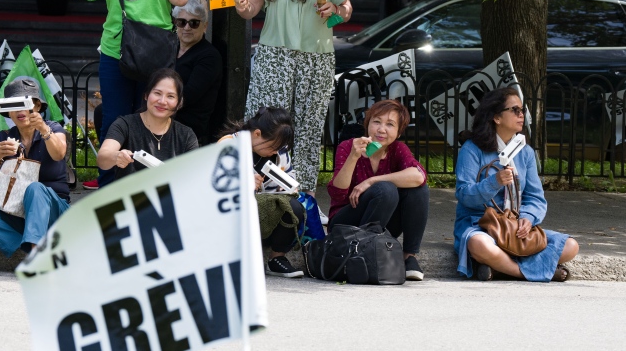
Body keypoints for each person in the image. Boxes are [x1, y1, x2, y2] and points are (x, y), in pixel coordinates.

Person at [70, 0, 191, 188]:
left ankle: (145, 183)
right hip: (117, 53)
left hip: (158, 55)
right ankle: (110, 183)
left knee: (153, 118)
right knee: (116, 118)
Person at [234, 0, 353, 195]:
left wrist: (336, 10)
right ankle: (257, 191)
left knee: (309, 128)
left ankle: (304, 196)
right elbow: (250, 7)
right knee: (267, 125)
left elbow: (347, 11)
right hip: (274, 58)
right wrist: (241, 5)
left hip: (317, 58)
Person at [454, 88, 579, 282]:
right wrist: (494, 182)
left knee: (571, 246)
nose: (521, 115)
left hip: (515, 226)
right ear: (497, 117)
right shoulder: (471, 149)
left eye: (522, 110)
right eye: (515, 110)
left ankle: (498, 269)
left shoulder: (525, 152)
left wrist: (528, 218)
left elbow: (535, 197)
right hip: (481, 224)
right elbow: (464, 195)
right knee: (479, 244)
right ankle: (530, 272)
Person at [0, 77, 69, 256]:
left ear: (37, 107)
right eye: (14, 105)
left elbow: (59, 154)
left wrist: (44, 130)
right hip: (16, 211)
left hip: (54, 212)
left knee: (35, 188)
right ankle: (25, 249)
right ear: (9, 113)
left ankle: (35, 253)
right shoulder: (2, 138)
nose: (20, 110)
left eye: (25, 103)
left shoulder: (53, 128)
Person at [327, 99, 429, 281]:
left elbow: (419, 176)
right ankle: (364, 254)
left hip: (380, 223)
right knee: (386, 189)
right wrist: (353, 156)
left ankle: (409, 257)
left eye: (390, 124)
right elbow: (338, 193)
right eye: (376, 122)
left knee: (417, 190)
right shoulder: (349, 146)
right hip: (346, 222)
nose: (381, 129)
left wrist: (372, 181)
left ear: (398, 132)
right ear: (367, 125)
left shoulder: (397, 149)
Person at [219, 107, 307, 278]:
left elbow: (290, 174)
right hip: (236, 216)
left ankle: (277, 258)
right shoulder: (229, 144)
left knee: (294, 206)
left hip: (268, 217)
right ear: (257, 134)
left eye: (280, 147)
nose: (276, 151)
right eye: (273, 146)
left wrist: (288, 186)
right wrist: (244, 183)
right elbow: (217, 184)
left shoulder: (280, 151)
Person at [96, 69, 199, 180]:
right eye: (157, 93)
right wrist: (116, 156)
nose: (162, 101)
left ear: (179, 103)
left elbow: (194, 175)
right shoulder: (124, 124)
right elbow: (103, 158)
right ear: (146, 95)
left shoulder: (186, 135)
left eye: (170, 96)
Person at [173, 0, 222, 145]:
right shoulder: (170, 47)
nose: (187, 27)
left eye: (194, 23)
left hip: (187, 124)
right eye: (182, 22)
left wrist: (153, 112)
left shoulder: (209, 56)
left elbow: (188, 96)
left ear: (205, 26)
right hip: (166, 114)